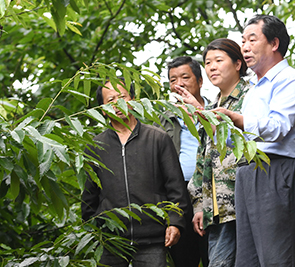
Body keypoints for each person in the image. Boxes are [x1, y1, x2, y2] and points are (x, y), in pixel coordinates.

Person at [214, 15, 295, 267]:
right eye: (242, 40)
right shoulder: (253, 86)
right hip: (248, 174)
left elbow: (278, 127)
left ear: (274, 43)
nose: (244, 46)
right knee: (248, 261)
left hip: (278, 171)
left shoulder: (290, 79)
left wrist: (237, 120)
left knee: (278, 259)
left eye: (252, 40)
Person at [81, 79, 190, 266]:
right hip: (111, 241)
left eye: (122, 97)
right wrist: (93, 230)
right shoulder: (95, 147)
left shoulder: (157, 138)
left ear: (132, 99)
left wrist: (175, 222)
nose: (117, 103)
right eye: (110, 100)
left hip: (153, 238)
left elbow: (176, 187)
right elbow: (89, 195)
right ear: (102, 108)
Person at [187, 38, 251, 267]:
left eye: (218, 60)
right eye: (208, 62)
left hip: (242, 204)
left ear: (238, 63)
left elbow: (251, 144)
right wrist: (198, 205)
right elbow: (201, 160)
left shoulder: (252, 97)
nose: (212, 66)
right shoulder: (211, 106)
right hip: (216, 212)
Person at [161, 56, 209, 267]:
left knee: (215, 255)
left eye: (184, 77)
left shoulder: (216, 112)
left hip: (211, 192)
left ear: (200, 81)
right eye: (172, 80)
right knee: (183, 259)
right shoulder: (162, 118)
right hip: (177, 195)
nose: (178, 84)